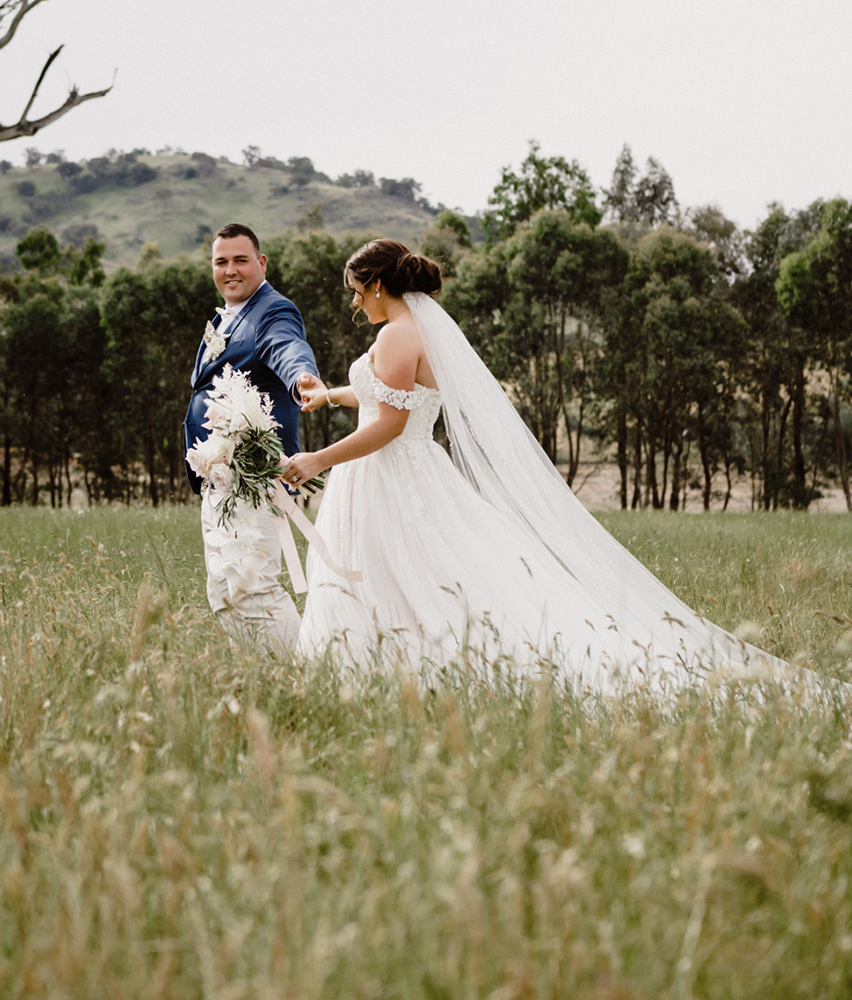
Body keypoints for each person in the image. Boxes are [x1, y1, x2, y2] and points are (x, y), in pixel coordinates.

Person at [279, 239, 782, 689]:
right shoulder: (413, 331)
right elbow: (381, 395)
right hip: (404, 469)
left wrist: (317, 460)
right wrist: (328, 397)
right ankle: (387, 664)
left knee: (406, 571)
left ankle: (389, 664)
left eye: (357, 291)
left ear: (378, 284)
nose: (354, 301)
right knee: (415, 569)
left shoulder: (395, 335)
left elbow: (388, 423)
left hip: (390, 470)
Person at [184, 224, 318, 653]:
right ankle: (264, 680)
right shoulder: (224, 315)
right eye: (221, 261)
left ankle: (308, 678)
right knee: (224, 592)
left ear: (261, 263)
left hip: (255, 476)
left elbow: (286, 346)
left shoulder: (272, 310)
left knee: (254, 590)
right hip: (219, 476)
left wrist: (303, 378)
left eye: (240, 260)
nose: (230, 270)